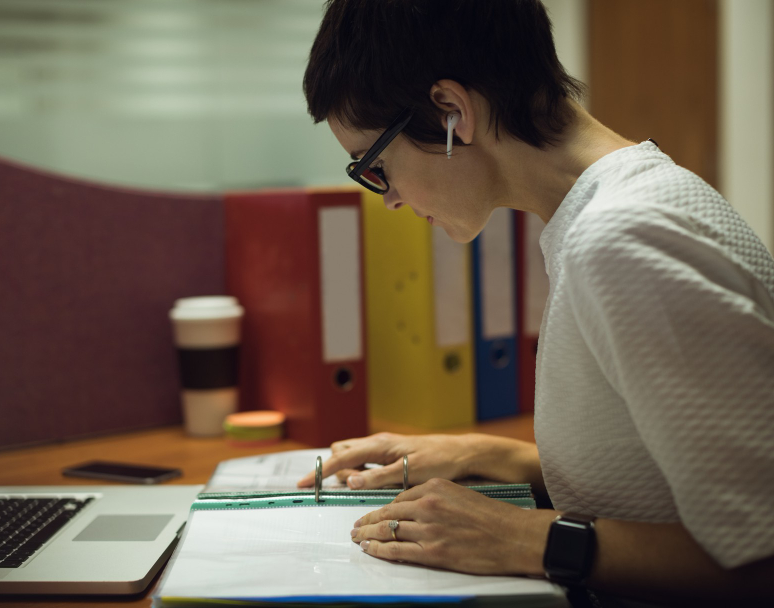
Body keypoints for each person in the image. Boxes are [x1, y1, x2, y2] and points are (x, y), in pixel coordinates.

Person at [295, 1, 774, 605]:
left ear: (451, 111)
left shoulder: (623, 238)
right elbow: (656, 474)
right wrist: (493, 454)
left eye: (376, 167)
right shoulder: (607, 210)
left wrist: (526, 538)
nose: (386, 199)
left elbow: (761, 555)